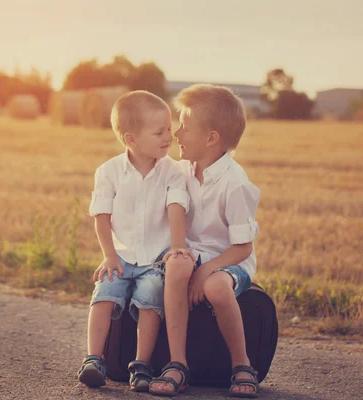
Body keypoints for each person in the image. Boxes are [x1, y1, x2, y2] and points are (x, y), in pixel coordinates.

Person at [149, 84, 261, 398]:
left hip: (229, 261)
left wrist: (207, 269)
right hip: (193, 255)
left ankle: (242, 364)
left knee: (215, 286)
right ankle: (177, 364)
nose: (177, 135)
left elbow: (243, 247)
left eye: (184, 127)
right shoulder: (182, 170)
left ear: (211, 138)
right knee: (176, 263)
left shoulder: (235, 184)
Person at [78, 90, 190, 392]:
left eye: (169, 128)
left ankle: (141, 365)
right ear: (131, 139)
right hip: (121, 255)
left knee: (151, 296)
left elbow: (176, 207)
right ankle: (93, 359)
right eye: (160, 132)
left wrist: (177, 245)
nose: (169, 136)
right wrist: (109, 256)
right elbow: (101, 216)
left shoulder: (173, 171)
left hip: (155, 258)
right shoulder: (109, 172)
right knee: (105, 290)